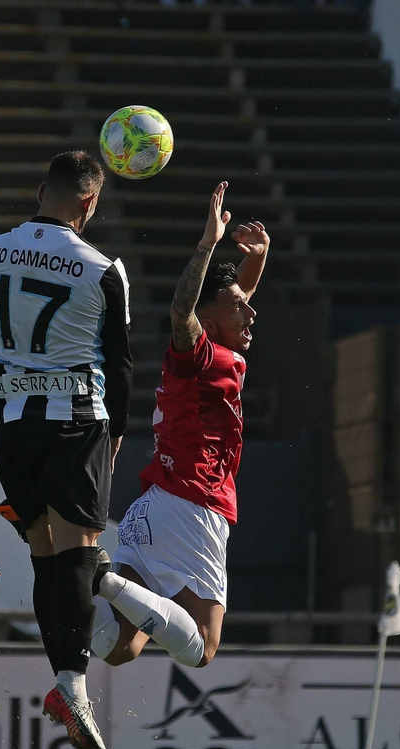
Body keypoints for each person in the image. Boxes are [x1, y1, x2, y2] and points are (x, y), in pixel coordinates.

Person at [0, 149, 133, 749]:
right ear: (91, 202)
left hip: (11, 424)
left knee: (48, 558)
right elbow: (119, 360)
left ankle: (65, 686)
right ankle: (72, 688)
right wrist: (116, 432)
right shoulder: (102, 269)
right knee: (80, 556)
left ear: (40, 190)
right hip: (74, 421)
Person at [91, 182, 265, 674]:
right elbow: (183, 311)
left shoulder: (214, 346)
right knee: (204, 648)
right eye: (239, 307)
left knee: (121, 646)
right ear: (207, 325)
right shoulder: (199, 354)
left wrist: (260, 254)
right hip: (192, 504)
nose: (251, 310)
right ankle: (98, 576)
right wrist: (208, 244)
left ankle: (74, 593)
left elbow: (230, 301)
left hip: (154, 505)